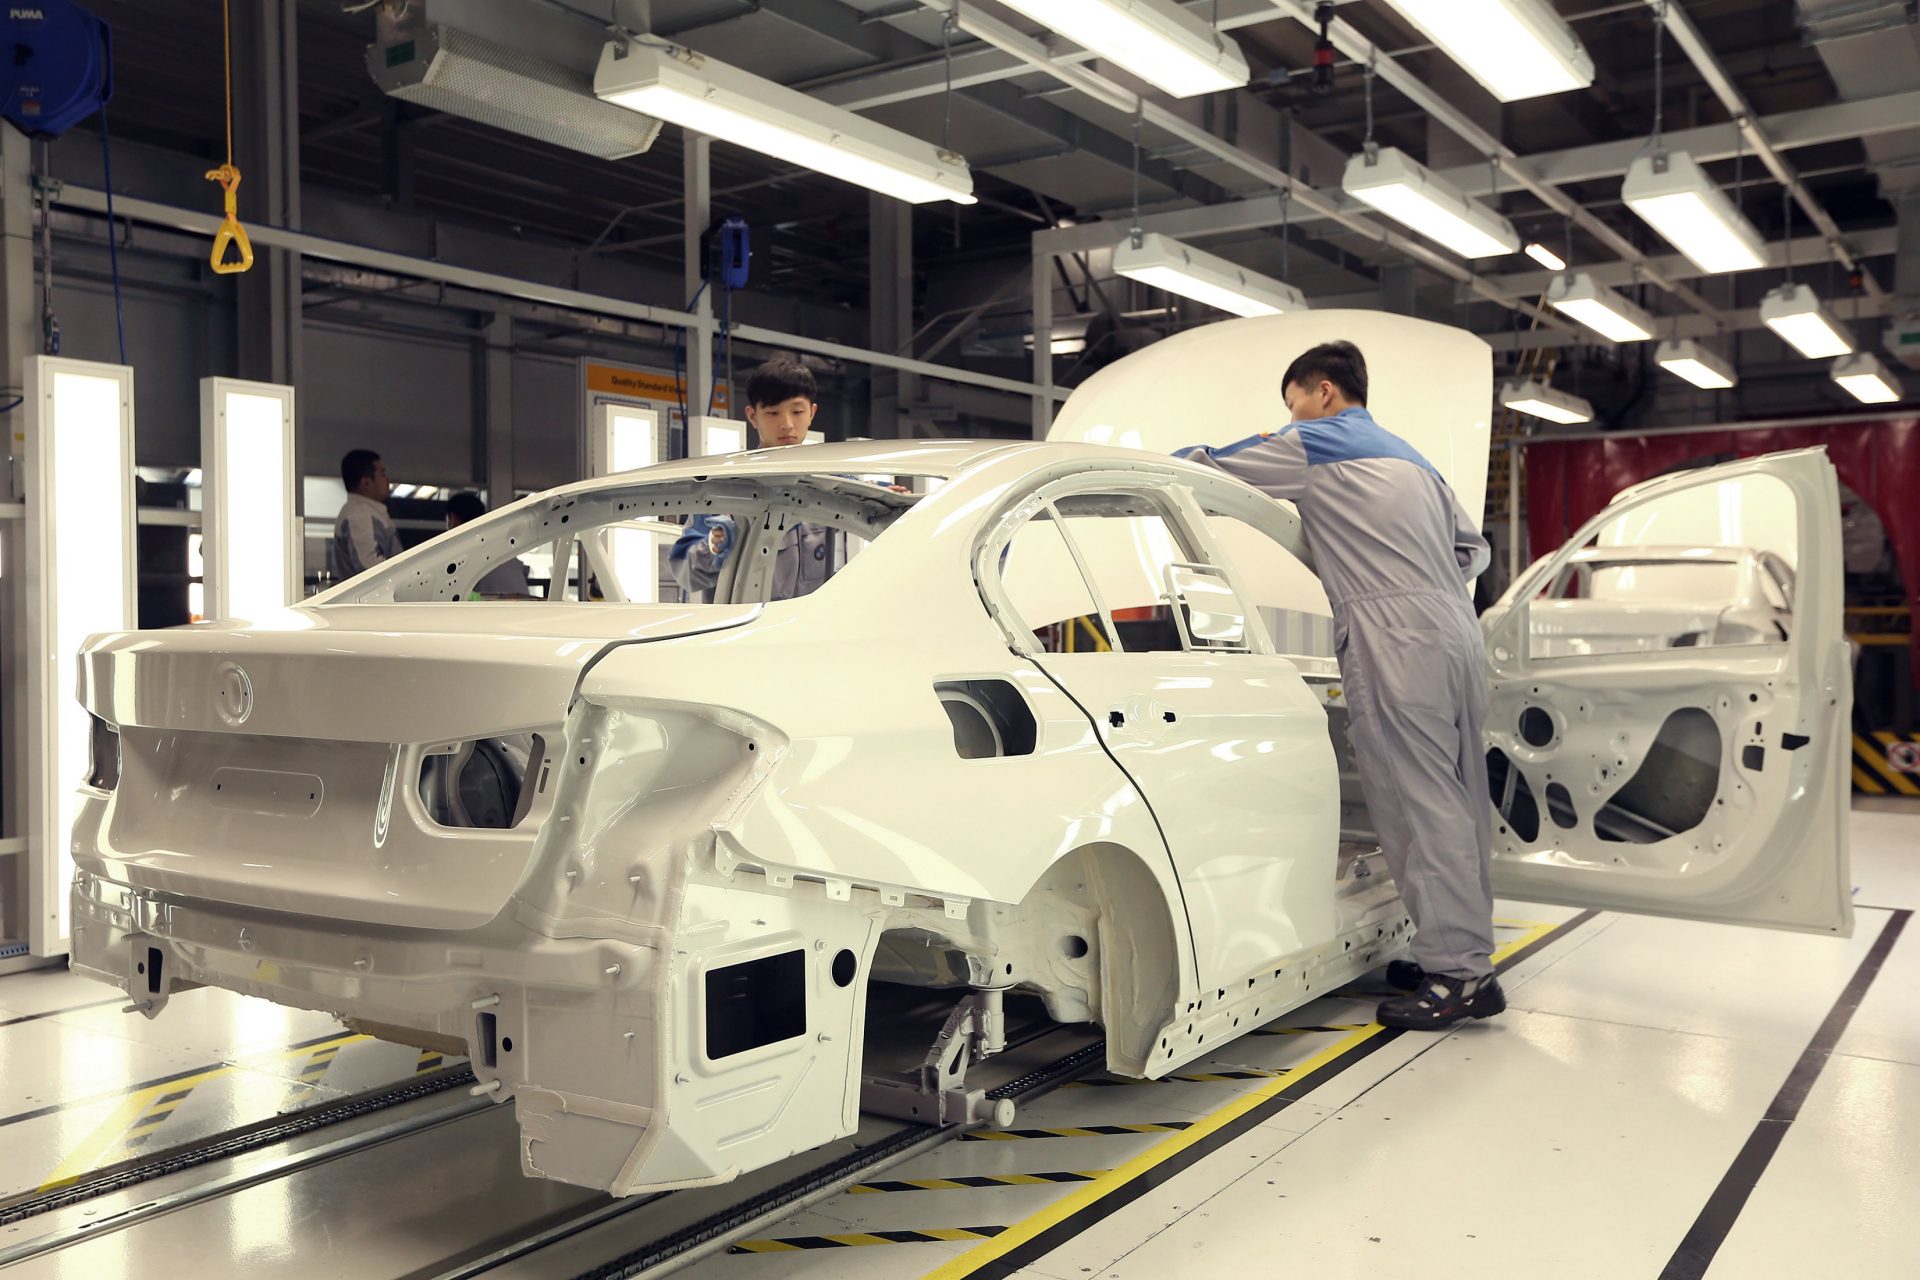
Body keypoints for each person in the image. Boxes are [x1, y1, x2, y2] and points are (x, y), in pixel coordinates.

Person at [1177, 341, 1500, 1031]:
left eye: (1291, 401)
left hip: (1395, 633)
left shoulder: (1314, 441)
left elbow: (1203, 469)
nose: (1288, 416)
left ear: (1323, 392)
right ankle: (1464, 952)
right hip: (1456, 627)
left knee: (1416, 802)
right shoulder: (1417, 462)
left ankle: (1459, 974)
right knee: (1458, 793)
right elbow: (1474, 552)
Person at [670, 357, 837, 601]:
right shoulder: (723, 490)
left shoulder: (833, 486)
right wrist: (714, 546)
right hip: (743, 634)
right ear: (752, 416)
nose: (787, 424)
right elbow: (686, 574)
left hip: (811, 631)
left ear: (812, 413)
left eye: (797, 411)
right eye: (772, 413)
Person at [330, 449, 403, 581]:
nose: (387, 480)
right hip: (375, 598)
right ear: (366, 483)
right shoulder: (359, 514)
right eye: (382, 474)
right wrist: (403, 577)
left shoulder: (364, 511)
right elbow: (368, 565)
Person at [446, 492, 532, 598]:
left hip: (495, 611)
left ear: (453, 519)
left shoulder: (463, 554)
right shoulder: (501, 549)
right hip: (526, 609)